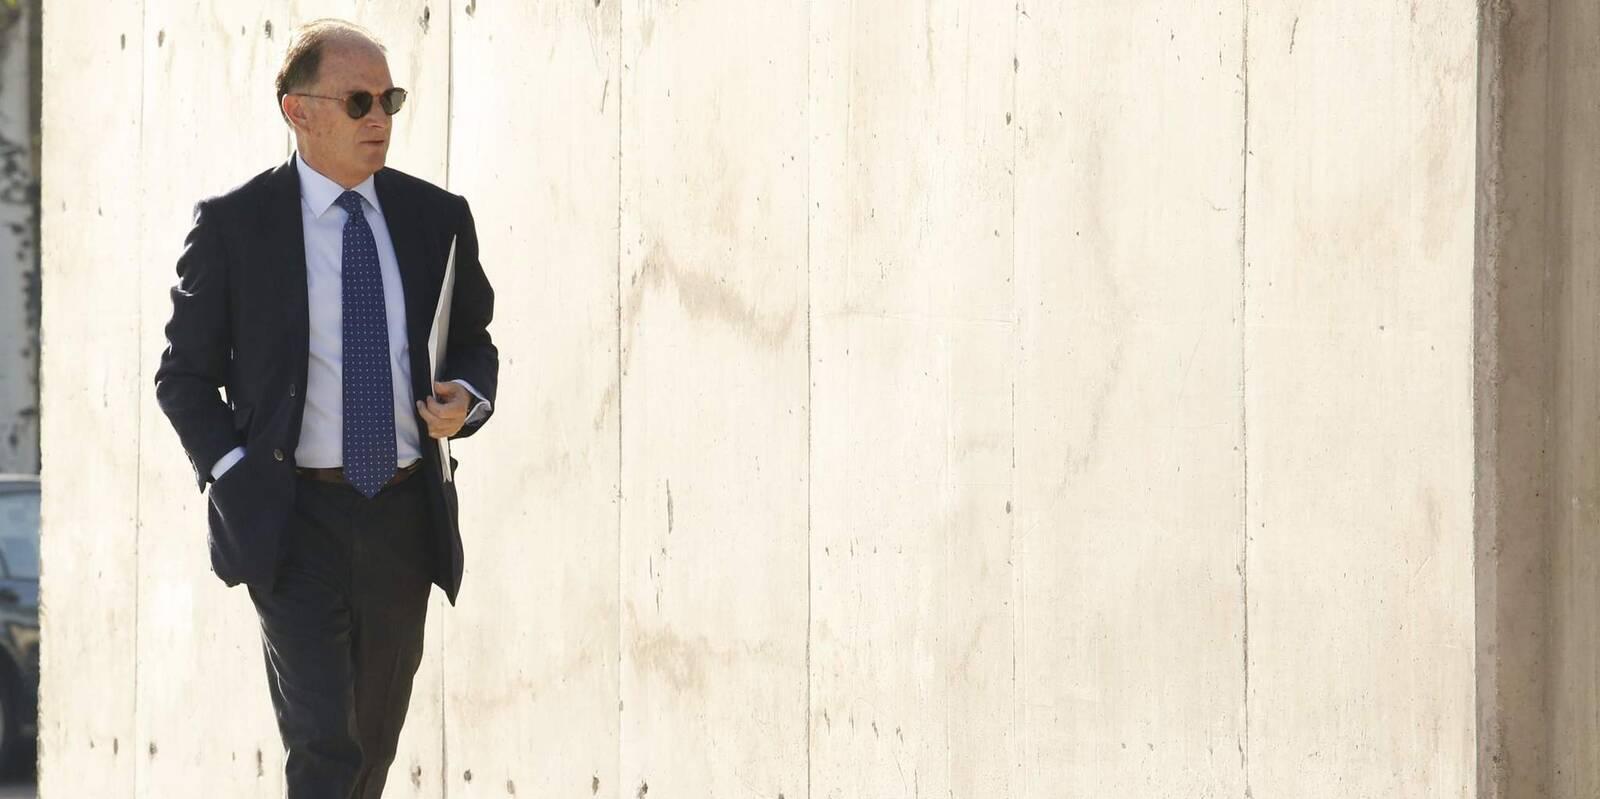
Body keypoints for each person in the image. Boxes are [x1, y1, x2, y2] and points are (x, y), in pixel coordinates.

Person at [152, 18, 498, 798]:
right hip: (292, 519)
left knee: (373, 742)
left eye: (389, 99)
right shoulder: (235, 226)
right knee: (323, 744)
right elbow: (183, 376)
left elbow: (471, 341)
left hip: (402, 515)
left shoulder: (437, 217)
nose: (379, 119)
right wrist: (234, 470)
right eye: (358, 101)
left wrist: (466, 398)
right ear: (298, 111)